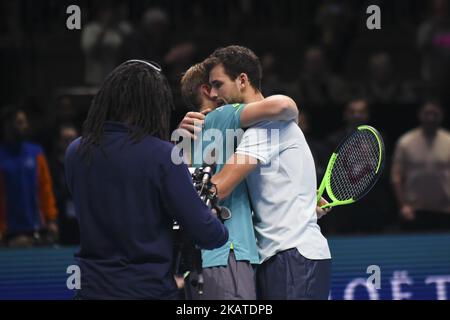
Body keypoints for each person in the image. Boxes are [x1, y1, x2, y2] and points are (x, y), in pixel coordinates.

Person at [64, 60, 228, 300]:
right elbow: (206, 233)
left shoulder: (75, 152)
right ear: (154, 104)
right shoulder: (163, 155)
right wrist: (216, 224)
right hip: (148, 289)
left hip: (90, 288)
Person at [205, 46, 331, 300]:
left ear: (242, 80)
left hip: (292, 256)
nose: (214, 94)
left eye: (218, 85)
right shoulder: (257, 129)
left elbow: (219, 187)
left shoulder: (267, 126)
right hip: (282, 256)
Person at [177, 60, 299, 300]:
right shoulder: (223, 115)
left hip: (193, 259)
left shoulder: (182, 138)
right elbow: (284, 106)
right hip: (227, 251)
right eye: (217, 84)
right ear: (207, 90)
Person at [0, 107, 58, 247]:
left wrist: (51, 219)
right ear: (7, 126)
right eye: (20, 122)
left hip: (37, 229)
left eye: (25, 122)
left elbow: (45, 188)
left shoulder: (36, 152)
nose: (25, 126)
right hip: (6, 233)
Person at [391, 101, 450, 231]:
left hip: (445, 209)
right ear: (420, 115)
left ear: (441, 115)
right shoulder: (405, 142)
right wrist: (403, 205)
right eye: (427, 113)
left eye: (434, 114)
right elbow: (397, 176)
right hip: (414, 210)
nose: (431, 117)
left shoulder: (448, 141)